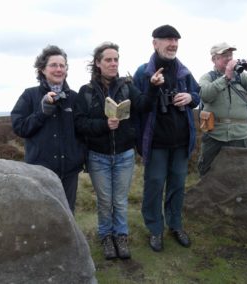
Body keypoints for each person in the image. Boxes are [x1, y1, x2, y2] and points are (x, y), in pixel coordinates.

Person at [73, 42, 154, 260]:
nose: (113, 63)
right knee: (104, 200)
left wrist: (153, 86)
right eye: (108, 60)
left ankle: (121, 236)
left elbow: (144, 105)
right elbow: (79, 123)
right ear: (98, 63)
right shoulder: (86, 92)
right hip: (98, 156)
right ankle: (106, 237)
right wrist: (103, 125)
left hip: (125, 155)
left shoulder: (127, 86)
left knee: (119, 200)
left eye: (116, 59)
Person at [133, 25, 200, 252]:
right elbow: (137, 105)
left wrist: (190, 97)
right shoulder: (143, 72)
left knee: (178, 185)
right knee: (153, 186)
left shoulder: (184, 72)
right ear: (155, 43)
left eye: (175, 40)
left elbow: (197, 96)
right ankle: (155, 229)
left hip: (181, 143)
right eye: (167, 40)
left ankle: (175, 225)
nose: (173, 44)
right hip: (156, 143)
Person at [11, 45, 85, 213]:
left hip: (69, 172)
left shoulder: (73, 97)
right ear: (42, 69)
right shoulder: (29, 95)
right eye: (53, 65)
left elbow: (82, 131)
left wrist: (79, 156)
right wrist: (42, 112)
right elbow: (20, 127)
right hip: (40, 173)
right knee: (42, 216)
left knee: (67, 215)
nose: (58, 69)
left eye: (62, 65)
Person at [197, 42, 247, 176]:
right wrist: (226, 77)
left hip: (240, 135)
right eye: (224, 55)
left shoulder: (242, 77)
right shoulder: (207, 77)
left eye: (230, 55)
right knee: (208, 172)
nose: (229, 58)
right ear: (214, 59)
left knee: (240, 173)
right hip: (215, 134)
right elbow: (205, 95)